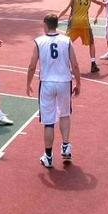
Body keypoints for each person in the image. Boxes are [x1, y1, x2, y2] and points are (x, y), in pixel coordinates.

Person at [26, 13, 81, 168]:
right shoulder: (66, 40)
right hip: (64, 82)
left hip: (47, 83)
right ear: (57, 24)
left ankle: (48, 156)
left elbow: (32, 65)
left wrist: (28, 83)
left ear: (45, 24)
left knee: (49, 121)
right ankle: (65, 146)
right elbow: (75, 65)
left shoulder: (39, 41)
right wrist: (78, 82)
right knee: (64, 114)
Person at [57, 0, 105, 73]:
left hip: (74, 23)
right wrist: (99, 12)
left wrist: (57, 17)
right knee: (91, 43)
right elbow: (101, 4)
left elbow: (66, 9)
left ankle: (64, 64)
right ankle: (93, 64)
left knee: (66, 43)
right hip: (85, 24)